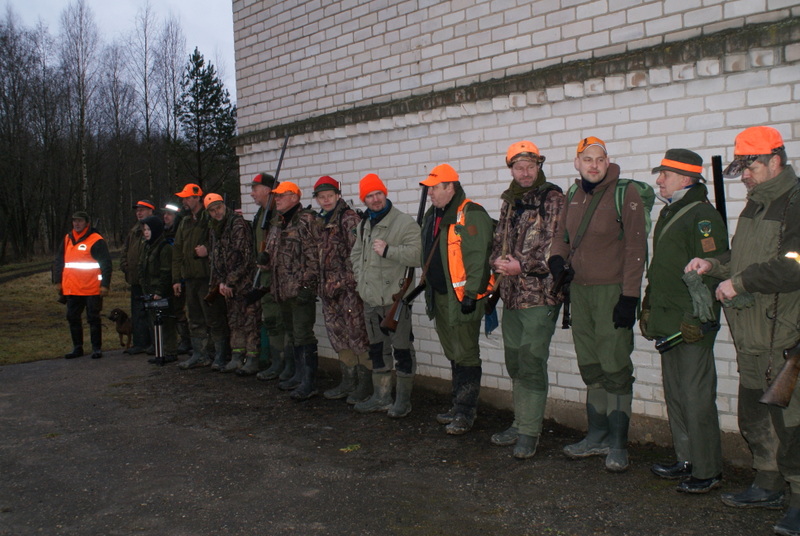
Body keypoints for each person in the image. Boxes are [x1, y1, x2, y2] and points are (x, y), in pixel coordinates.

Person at [686, 126, 800, 535]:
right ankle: (767, 483)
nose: (745, 176)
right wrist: (714, 265)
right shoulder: (756, 203)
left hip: (785, 335)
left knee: (792, 423)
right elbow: (744, 257)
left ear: (775, 161)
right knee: (754, 415)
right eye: (742, 168)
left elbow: (794, 263)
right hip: (752, 335)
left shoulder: (796, 202)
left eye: (750, 167)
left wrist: (741, 282)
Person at [549, 136, 647, 472]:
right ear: (577, 163)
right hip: (580, 293)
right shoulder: (573, 194)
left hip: (611, 293)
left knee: (615, 366)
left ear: (608, 162)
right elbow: (561, 237)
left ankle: (618, 443)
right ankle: (597, 435)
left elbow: (636, 248)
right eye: (587, 159)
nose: (594, 165)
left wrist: (629, 296)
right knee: (591, 365)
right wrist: (556, 261)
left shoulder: (624, 193)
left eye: (600, 159)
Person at [640, 149, 728, 493]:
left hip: (692, 324)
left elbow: (712, 269)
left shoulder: (703, 216)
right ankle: (686, 459)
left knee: (696, 397)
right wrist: (650, 308)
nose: (659, 180)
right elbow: (664, 268)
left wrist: (697, 318)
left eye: (665, 174)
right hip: (670, 321)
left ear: (686, 178)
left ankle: (707, 470)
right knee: (676, 394)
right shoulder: (671, 211)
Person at [488, 142, 565, 457]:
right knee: (515, 363)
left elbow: (557, 247)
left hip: (539, 297)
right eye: (519, 167)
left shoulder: (553, 198)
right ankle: (520, 422)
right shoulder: (510, 201)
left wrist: (523, 266)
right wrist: (496, 261)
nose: (525, 172)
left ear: (538, 166)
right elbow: (498, 240)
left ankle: (529, 433)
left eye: (530, 166)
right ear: (511, 169)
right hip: (510, 297)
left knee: (531, 363)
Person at [420, 164, 494, 435]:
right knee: (453, 352)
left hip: (463, 299)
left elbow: (479, 258)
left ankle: (465, 412)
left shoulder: (471, 214)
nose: (430, 193)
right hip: (441, 297)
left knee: (466, 353)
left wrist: (472, 295)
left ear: (450, 187)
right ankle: (457, 405)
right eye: (429, 189)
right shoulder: (432, 215)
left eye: (434, 188)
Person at [350, 173, 422, 417]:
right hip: (370, 299)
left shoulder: (404, 222)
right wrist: (361, 281)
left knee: (402, 350)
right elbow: (356, 255)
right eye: (369, 196)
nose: (375, 199)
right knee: (377, 350)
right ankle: (381, 397)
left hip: (395, 301)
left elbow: (418, 255)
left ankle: (402, 401)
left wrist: (389, 250)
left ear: (385, 193)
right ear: (364, 199)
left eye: (378, 193)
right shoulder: (363, 225)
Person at [312, 176, 372, 403]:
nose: (326, 200)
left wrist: (343, 282)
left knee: (357, 336)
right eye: (321, 197)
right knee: (339, 337)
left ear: (338, 196)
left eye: (330, 196)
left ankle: (365, 385)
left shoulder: (349, 219)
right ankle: (348, 381)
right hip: (329, 292)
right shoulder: (320, 221)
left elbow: (359, 257)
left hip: (349, 292)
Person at [264, 181, 320, 400]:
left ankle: (309, 382)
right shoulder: (278, 222)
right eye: (276, 196)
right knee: (293, 333)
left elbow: (314, 257)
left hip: (299, 291)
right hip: (282, 290)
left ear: (295, 197)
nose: (277, 199)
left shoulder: (306, 220)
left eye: (281, 195)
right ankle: (298, 375)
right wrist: (265, 260)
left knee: (303, 334)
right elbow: (274, 253)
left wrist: (307, 287)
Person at [172, 183, 229, 371]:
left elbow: (222, 241)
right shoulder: (184, 222)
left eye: (188, 197)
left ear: (197, 198)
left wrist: (208, 250)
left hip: (208, 277)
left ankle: (220, 355)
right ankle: (200, 354)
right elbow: (177, 251)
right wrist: (176, 279)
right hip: (190, 278)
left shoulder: (209, 218)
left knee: (214, 317)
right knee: (195, 318)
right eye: (184, 198)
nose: (184, 201)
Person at [205, 193, 262, 375]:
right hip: (227, 285)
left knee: (250, 320)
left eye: (218, 208)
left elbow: (243, 256)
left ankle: (252, 359)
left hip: (245, 283)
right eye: (212, 210)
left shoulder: (237, 224)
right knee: (234, 320)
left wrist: (229, 281)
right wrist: (221, 282)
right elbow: (215, 258)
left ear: (224, 206)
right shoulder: (214, 228)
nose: (217, 212)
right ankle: (237, 356)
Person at [53, 211, 112, 360]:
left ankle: (96, 348)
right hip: (72, 288)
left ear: (87, 223)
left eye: (80, 221)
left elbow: (106, 264)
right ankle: (77, 348)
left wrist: (105, 285)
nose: (77, 224)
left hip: (92, 288)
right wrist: (58, 280)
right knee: (72, 318)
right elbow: (59, 260)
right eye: (75, 221)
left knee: (93, 318)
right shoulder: (67, 238)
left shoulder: (96, 239)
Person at [250, 173, 290, 381]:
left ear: (267, 190)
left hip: (278, 277)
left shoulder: (279, 214)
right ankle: (277, 363)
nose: (252, 193)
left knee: (282, 321)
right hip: (265, 277)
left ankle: (285, 365)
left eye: (255, 189)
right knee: (272, 321)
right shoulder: (261, 215)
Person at [139, 215, 177, 365]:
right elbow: (142, 268)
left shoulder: (164, 248)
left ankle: (170, 351)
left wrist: (160, 291)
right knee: (154, 322)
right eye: (144, 230)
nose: (146, 232)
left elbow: (166, 272)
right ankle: (159, 350)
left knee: (166, 322)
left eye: (148, 229)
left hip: (161, 292)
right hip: (149, 290)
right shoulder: (147, 247)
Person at [120, 200, 154, 355]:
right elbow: (125, 250)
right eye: (137, 210)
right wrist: (125, 266)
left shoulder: (154, 229)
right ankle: (140, 343)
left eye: (142, 210)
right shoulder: (133, 231)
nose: (139, 213)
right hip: (134, 279)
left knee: (151, 312)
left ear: (151, 211)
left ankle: (153, 342)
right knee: (137, 312)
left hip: (149, 280)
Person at [163, 201, 192, 356]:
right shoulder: (163, 234)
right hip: (171, 276)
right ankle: (183, 339)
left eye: (169, 214)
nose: (166, 217)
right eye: (165, 214)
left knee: (185, 310)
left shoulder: (181, 233)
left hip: (183, 277)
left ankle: (188, 340)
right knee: (176, 309)